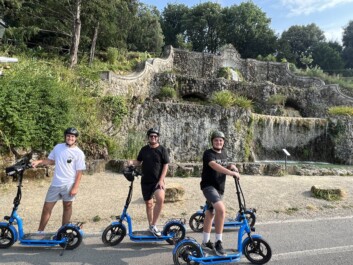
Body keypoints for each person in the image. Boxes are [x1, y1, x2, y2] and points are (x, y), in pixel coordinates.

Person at [31, 127, 86, 233]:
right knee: (47, 207)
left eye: (72, 136)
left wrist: (75, 187)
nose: (70, 138)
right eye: (68, 136)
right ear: (65, 137)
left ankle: (63, 231)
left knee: (67, 206)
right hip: (56, 183)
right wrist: (39, 161)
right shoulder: (58, 147)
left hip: (69, 184)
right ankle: (40, 231)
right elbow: (51, 160)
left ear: (76, 139)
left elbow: (79, 172)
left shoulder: (78, 153)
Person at [200, 130, 240, 256]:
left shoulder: (224, 153)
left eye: (221, 140)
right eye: (216, 140)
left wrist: (232, 166)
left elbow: (224, 164)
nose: (218, 142)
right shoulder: (208, 153)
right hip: (208, 187)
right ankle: (218, 242)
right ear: (212, 141)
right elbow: (214, 165)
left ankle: (205, 242)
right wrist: (231, 173)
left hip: (219, 188)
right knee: (221, 210)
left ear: (223, 142)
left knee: (210, 212)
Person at [128, 128, 169, 237]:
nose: (153, 138)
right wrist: (131, 162)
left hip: (157, 181)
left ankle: (154, 225)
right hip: (145, 181)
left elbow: (166, 165)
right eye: (151, 136)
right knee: (149, 204)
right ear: (148, 137)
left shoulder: (162, 150)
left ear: (158, 137)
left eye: (155, 136)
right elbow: (138, 161)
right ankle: (150, 225)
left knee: (160, 199)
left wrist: (161, 180)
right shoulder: (144, 149)